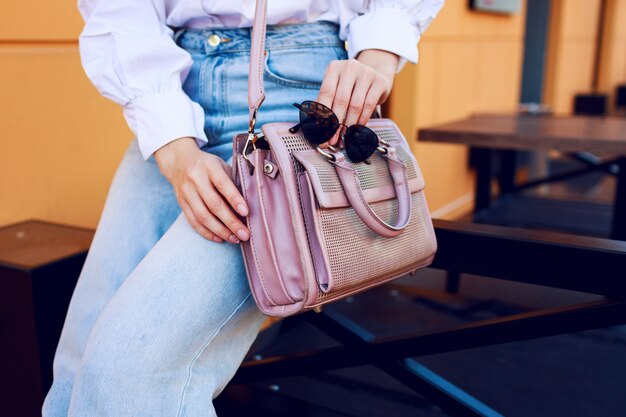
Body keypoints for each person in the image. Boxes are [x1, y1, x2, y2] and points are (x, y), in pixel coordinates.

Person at [42, 0, 444, 415]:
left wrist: (378, 56)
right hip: (172, 104)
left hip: (296, 101)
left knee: (132, 375)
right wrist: (175, 149)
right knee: (76, 369)